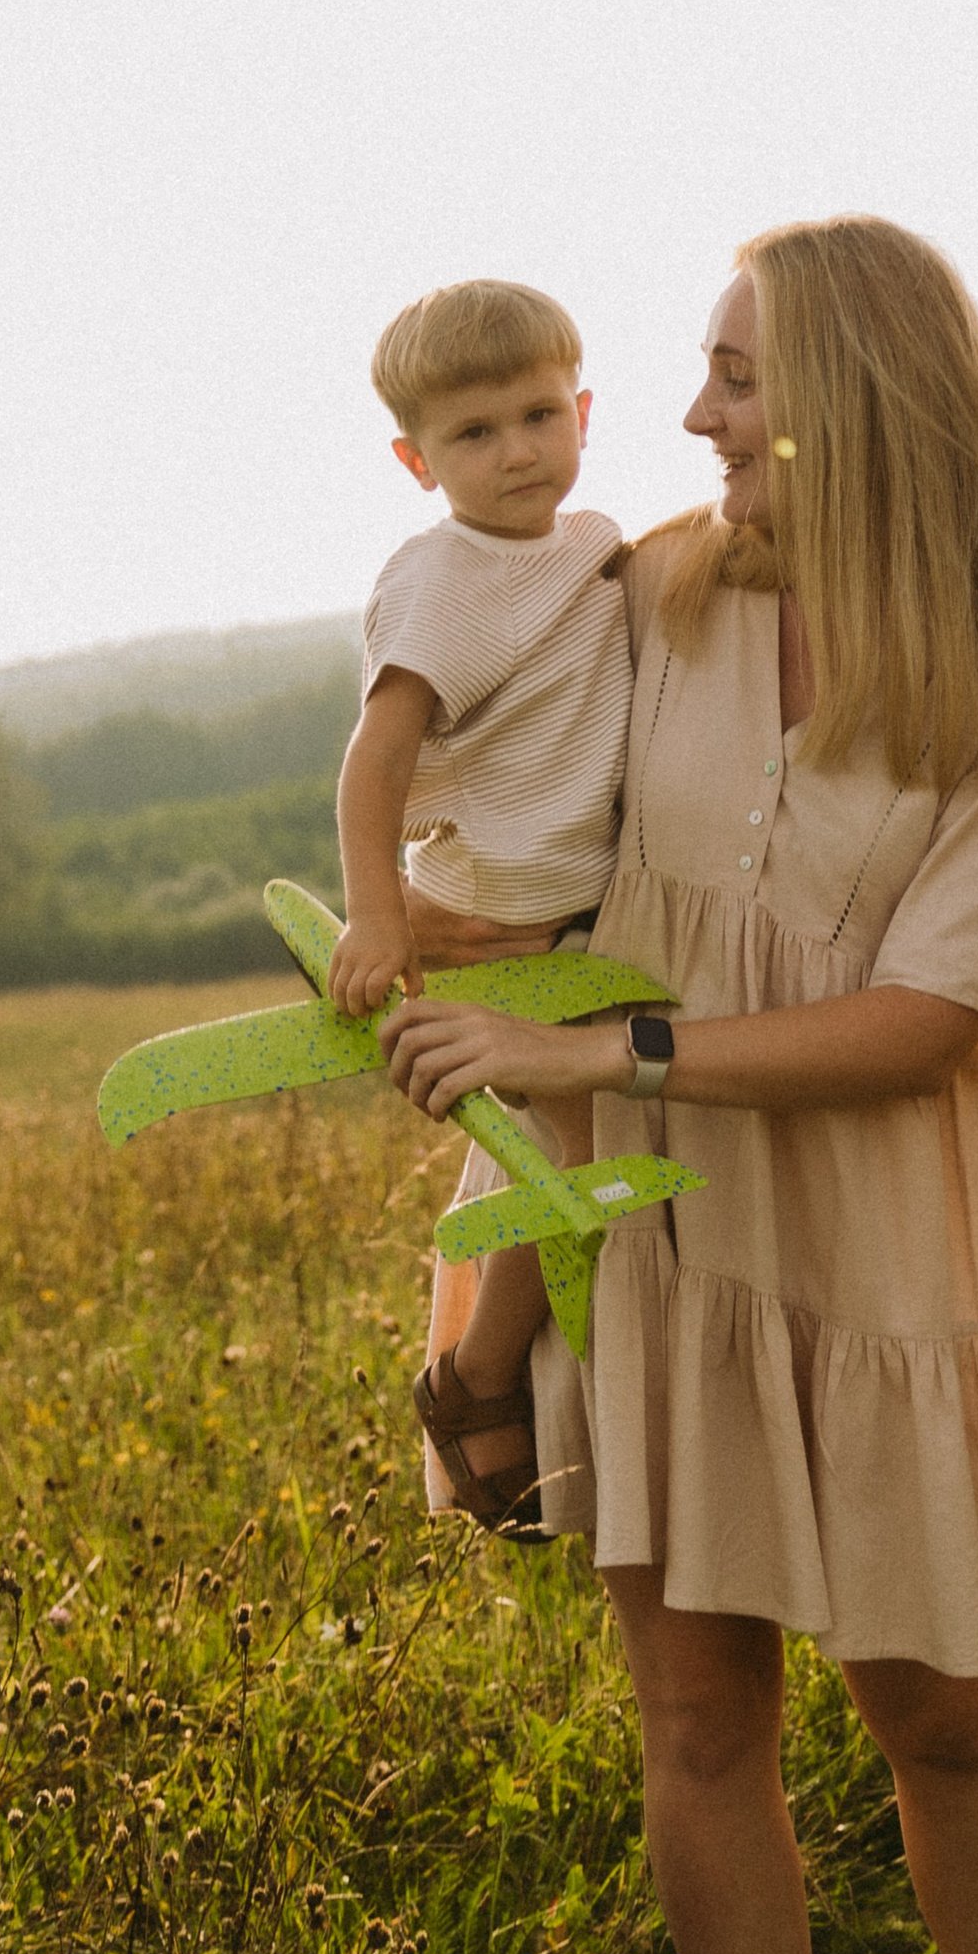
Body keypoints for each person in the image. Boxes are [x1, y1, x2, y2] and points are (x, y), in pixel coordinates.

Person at [380, 217, 978, 1954]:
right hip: (644, 1220)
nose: (694, 414)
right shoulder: (658, 593)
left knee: (935, 1703)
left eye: (733, 376)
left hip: (884, 1220)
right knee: (698, 1711)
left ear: (848, 400)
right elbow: (511, 843)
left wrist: (590, 1036)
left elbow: (921, 1023)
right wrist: (470, 1267)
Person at [332, 279, 632, 1537]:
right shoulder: (442, 575)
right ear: (416, 459)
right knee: (582, 1144)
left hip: (591, 920)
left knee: (605, 1143)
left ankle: (507, 1366)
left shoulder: (598, 541)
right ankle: (477, 1374)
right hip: (498, 922)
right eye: (472, 433)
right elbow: (375, 759)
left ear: (582, 410)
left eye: (537, 413)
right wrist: (378, 914)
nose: (516, 449)